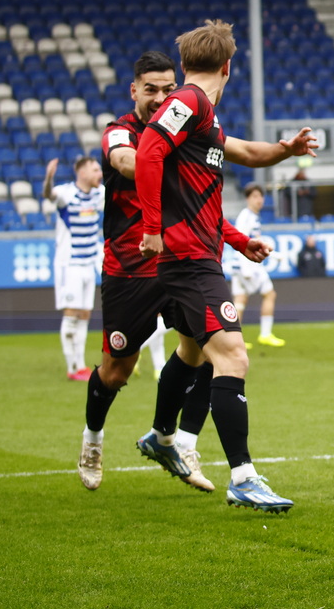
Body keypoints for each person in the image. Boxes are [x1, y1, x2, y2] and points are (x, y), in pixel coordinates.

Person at [78, 49, 316, 495]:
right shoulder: (120, 132)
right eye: (151, 90)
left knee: (208, 351)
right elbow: (128, 161)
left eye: (168, 89)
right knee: (116, 372)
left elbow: (231, 165)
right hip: (130, 270)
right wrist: (164, 150)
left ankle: (172, 438)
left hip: (180, 262)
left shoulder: (188, 125)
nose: (161, 97)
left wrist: (285, 152)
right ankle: (94, 438)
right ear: (134, 91)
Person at [136, 20, 317, 513]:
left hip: (198, 256)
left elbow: (244, 155)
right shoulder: (189, 103)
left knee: (193, 353)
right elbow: (149, 149)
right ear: (228, 66)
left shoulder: (205, 116)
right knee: (233, 357)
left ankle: (159, 435)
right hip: (189, 261)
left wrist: (285, 150)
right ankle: (243, 475)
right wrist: (152, 225)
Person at [43, 156, 104, 381]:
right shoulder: (66, 193)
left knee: (85, 314)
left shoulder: (100, 194)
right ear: (83, 173)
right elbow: (49, 195)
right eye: (95, 170)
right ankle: (72, 367)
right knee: (71, 316)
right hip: (69, 264)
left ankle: (80, 365)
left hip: (89, 263)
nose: (100, 173)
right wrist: (49, 177)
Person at [232, 183, 284, 347]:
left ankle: (235, 340)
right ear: (248, 198)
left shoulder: (252, 217)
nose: (259, 200)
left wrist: (273, 255)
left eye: (260, 196)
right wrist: (246, 268)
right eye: (255, 196)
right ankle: (265, 334)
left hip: (238, 266)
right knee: (269, 294)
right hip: (247, 266)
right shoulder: (246, 217)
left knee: (240, 301)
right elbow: (239, 240)